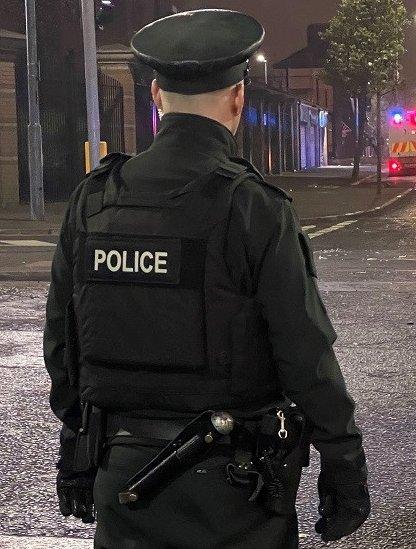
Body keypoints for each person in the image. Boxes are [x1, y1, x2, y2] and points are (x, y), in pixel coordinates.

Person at [43, 9, 369, 548]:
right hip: (234, 495)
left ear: (155, 97)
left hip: (123, 482)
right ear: (238, 97)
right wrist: (343, 462)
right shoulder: (252, 207)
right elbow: (304, 353)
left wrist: (77, 448)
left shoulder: (94, 201)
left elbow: (64, 344)